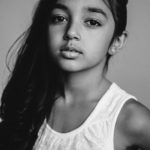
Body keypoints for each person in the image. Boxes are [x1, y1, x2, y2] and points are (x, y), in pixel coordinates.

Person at [0, 0, 150, 149]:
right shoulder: (27, 101)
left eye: (92, 22)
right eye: (59, 18)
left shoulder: (132, 119)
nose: (71, 32)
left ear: (117, 41)